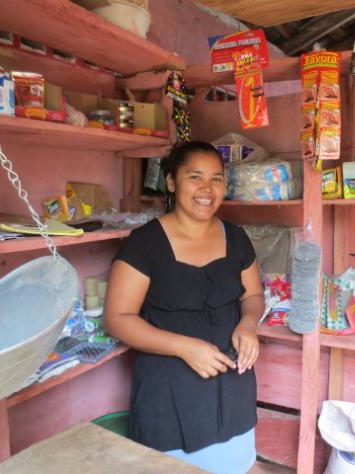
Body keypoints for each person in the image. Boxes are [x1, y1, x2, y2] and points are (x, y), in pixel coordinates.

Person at [104, 141, 264, 474]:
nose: (207, 189)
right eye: (195, 177)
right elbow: (117, 319)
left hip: (233, 386)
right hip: (170, 392)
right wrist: (185, 348)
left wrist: (248, 325)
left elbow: (252, 296)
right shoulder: (144, 244)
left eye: (217, 179)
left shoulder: (236, 238)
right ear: (172, 182)